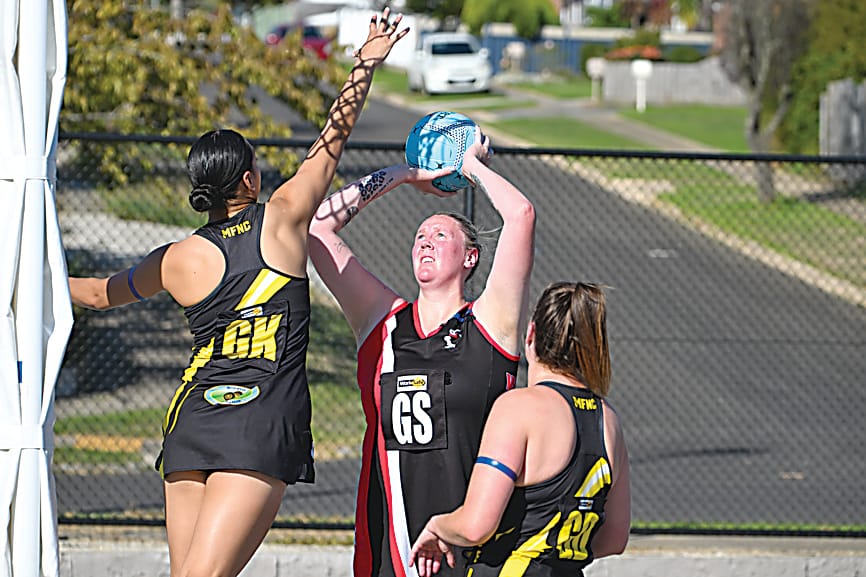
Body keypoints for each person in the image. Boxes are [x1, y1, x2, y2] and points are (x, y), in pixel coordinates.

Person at [67, 10, 408, 577]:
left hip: (193, 421)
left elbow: (99, 294)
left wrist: (26, 275)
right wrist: (365, 62)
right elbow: (334, 136)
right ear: (248, 180)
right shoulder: (281, 220)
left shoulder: (177, 258)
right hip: (257, 422)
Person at [308, 127, 536, 577]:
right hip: (389, 543)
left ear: (470, 258)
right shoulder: (382, 320)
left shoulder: (491, 324)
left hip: (472, 546)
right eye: (419, 235)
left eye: (440, 235)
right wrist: (404, 174)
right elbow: (318, 228)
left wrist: (469, 165)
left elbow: (522, 215)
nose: (426, 240)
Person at [408, 282, 631, 577]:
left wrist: (438, 525)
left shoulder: (519, 408)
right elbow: (614, 539)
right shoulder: (608, 420)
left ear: (531, 335)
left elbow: (476, 526)